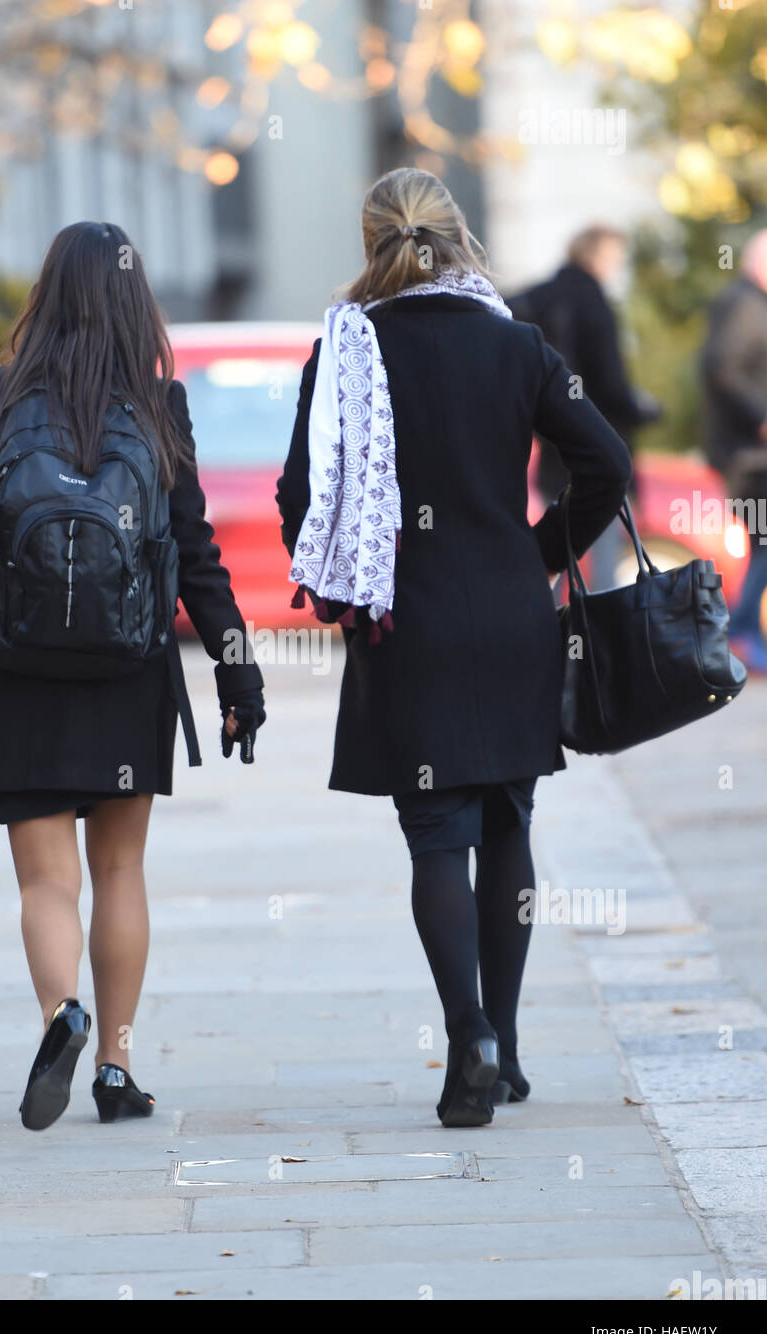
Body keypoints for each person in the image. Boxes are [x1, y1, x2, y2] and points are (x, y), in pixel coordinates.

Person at [277, 169, 631, 1128]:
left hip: (409, 626)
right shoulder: (516, 346)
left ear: (372, 243)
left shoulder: (345, 350)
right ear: (459, 235)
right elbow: (606, 462)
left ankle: (469, 1033)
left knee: (439, 836)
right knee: (509, 825)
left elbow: (299, 498)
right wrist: (540, 555)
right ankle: (505, 1052)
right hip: (513, 618)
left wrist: (347, 578)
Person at [0, 221, 265, 1131]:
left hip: (20, 668)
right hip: (128, 665)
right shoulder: (160, 407)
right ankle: (114, 1064)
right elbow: (197, 558)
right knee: (120, 869)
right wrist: (238, 676)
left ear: (46, 296)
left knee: (46, 883)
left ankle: (57, 1015)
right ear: (131, 300)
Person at [509, 225, 660, 589]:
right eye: (614, 258)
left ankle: (552, 627)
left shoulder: (536, 296)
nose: (616, 267)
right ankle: (605, 640)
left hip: (553, 441)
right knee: (605, 546)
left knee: (555, 540)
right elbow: (610, 381)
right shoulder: (594, 302)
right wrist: (641, 409)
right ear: (595, 255)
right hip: (599, 435)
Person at [701, 229, 767, 674]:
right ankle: (741, 630)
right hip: (749, 455)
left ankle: (744, 630)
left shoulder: (747, 303)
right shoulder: (745, 305)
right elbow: (726, 371)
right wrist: (762, 416)